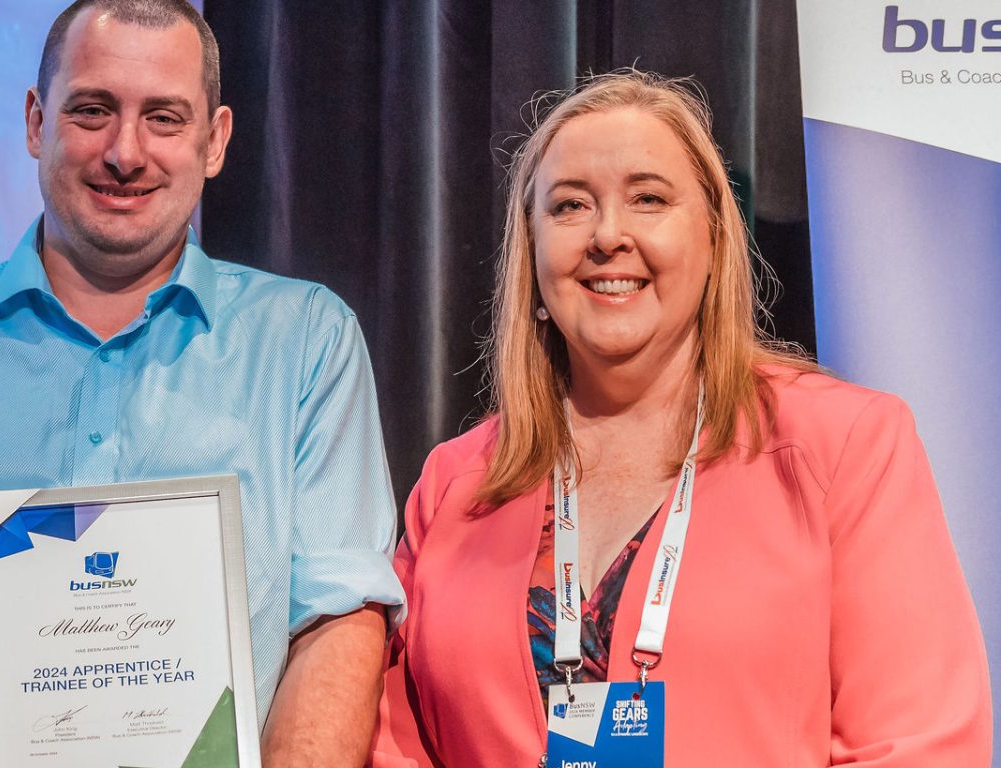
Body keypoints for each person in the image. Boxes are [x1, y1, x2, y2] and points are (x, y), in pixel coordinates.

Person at [0, 1, 404, 766]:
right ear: (37, 121)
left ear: (215, 141)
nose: (125, 152)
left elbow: (340, 620)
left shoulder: (307, 341)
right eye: (92, 109)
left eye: (165, 118)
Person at [371, 69, 992, 766]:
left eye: (648, 199)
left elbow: (920, 745)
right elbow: (398, 742)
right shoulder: (454, 485)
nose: (608, 235)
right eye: (571, 206)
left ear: (714, 241)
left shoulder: (848, 446)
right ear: (533, 255)